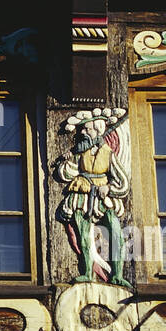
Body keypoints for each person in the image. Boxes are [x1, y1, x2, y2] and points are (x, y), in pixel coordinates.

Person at [55, 108, 130, 287]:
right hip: (81, 196)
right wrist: (67, 161)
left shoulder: (108, 154)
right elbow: (65, 174)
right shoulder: (80, 153)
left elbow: (123, 182)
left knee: (116, 233)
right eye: (82, 129)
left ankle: (117, 274)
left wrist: (109, 188)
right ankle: (88, 272)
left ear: (98, 131)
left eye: (87, 129)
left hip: (104, 198)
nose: (82, 132)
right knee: (84, 235)